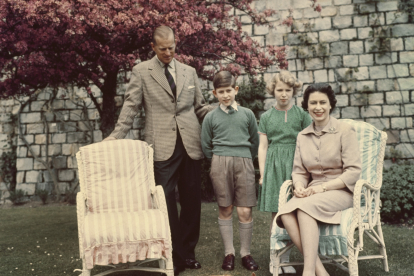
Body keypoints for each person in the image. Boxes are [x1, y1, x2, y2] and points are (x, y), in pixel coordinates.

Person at [103, 26, 214, 275]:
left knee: (191, 200)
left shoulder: (189, 72)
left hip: (190, 143)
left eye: (171, 47)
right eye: (162, 48)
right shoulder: (142, 71)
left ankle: (187, 253)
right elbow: (131, 106)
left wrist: (222, 112)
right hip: (161, 145)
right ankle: (172, 256)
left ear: (176, 43)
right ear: (153, 47)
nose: (168, 52)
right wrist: (115, 136)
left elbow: (200, 107)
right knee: (164, 201)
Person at [275, 83, 362, 276]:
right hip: (312, 192)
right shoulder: (303, 136)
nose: (318, 107)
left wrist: (322, 189)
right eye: (313, 103)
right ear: (307, 106)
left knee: (304, 208)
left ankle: (308, 272)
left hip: (341, 191)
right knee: (286, 214)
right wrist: (298, 186)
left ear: (331, 104)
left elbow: (353, 171)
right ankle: (320, 272)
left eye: (323, 102)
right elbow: (299, 171)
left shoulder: (344, 131)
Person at [201, 71, 260, 272]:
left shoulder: (247, 114)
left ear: (236, 90)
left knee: (244, 210)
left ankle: (245, 252)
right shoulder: (210, 117)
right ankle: (229, 253)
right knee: (225, 208)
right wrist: (218, 161)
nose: (226, 95)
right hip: (220, 162)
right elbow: (205, 144)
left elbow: (255, 141)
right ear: (215, 93)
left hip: (244, 161)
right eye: (221, 91)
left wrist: (246, 159)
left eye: (229, 90)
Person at [257, 71, 312, 274]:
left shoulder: (302, 115)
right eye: (279, 90)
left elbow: (309, 143)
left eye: (288, 90)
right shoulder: (266, 117)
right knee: (276, 213)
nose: (283, 94)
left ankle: (287, 259)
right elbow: (263, 147)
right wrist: (263, 174)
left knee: (294, 212)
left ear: (294, 91)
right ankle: (275, 259)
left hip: (296, 166)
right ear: (273, 91)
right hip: (273, 166)